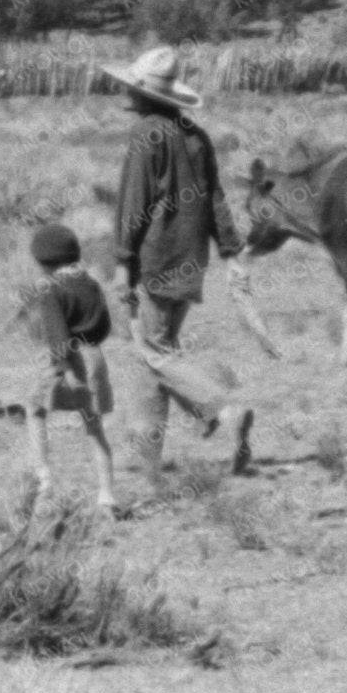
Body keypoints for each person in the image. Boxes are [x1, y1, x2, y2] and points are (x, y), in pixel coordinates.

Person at [102, 45, 263, 475]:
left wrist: (122, 261)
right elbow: (215, 200)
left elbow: (134, 204)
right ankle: (145, 453)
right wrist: (229, 250)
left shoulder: (146, 136)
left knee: (153, 352)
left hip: (155, 257)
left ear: (145, 95)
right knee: (155, 351)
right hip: (191, 257)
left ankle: (221, 410)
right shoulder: (196, 137)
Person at [18, 223, 122, 510]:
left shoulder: (50, 290)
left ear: (42, 262)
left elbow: (57, 334)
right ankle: (107, 495)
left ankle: (44, 478)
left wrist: (64, 369)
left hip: (65, 361)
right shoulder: (91, 283)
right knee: (94, 426)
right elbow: (104, 325)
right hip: (94, 357)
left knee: (34, 410)